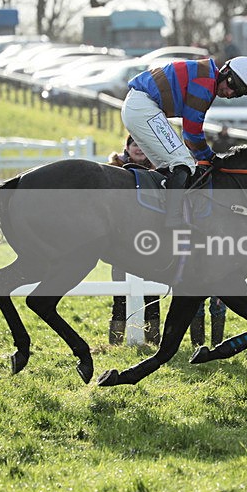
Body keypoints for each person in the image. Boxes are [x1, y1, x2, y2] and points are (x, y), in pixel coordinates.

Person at [121, 55, 247, 228]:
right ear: (225, 71)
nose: (230, 92)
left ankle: (153, 215)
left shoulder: (207, 76)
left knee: (168, 167)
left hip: (137, 106)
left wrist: (205, 156)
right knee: (183, 163)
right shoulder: (206, 82)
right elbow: (191, 133)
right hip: (142, 107)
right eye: (233, 84)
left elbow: (192, 133)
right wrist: (209, 156)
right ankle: (173, 220)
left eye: (239, 92)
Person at [107, 135, 160, 345]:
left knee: (152, 294)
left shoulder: (158, 173)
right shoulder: (112, 172)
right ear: (127, 147)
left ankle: (154, 338)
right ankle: (116, 340)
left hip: (150, 242)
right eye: (135, 144)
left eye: (142, 145)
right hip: (120, 243)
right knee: (119, 294)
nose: (139, 149)